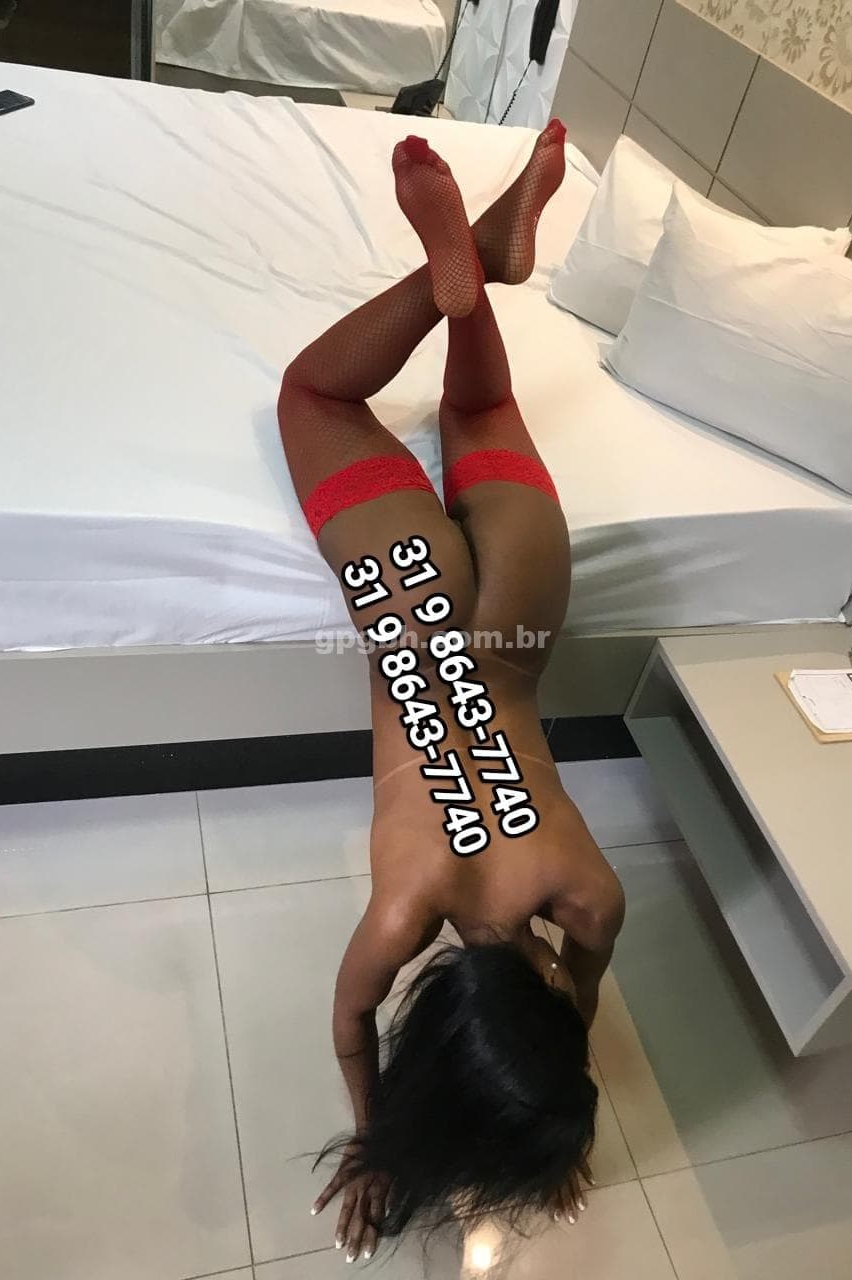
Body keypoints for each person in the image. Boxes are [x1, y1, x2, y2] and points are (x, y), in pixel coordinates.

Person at [277, 120, 625, 1265]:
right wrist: (375, 1140)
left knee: (477, 412)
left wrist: (547, 1110)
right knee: (313, 395)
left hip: (521, 601)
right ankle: (456, 268)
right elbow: (350, 1023)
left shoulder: (590, 896)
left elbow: (572, 1015)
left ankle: (478, 271)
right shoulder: (403, 912)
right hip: (413, 606)